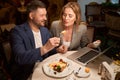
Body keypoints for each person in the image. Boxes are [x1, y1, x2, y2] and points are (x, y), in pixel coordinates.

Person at [10, 0, 60, 80]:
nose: (45, 18)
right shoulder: (17, 32)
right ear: (31, 15)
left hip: (45, 69)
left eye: (46, 15)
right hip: (27, 73)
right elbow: (20, 57)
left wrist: (58, 50)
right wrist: (44, 49)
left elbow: (51, 52)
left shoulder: (45, 31)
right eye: (42, 15)